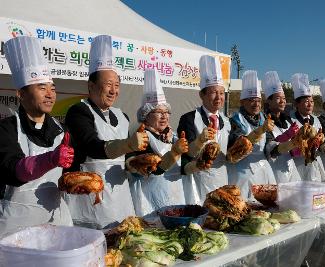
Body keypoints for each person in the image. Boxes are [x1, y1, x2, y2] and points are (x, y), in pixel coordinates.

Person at [64, 35, 148, 228]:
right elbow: (92, 146)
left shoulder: (122, 116)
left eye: (117, 85)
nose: (113, 90)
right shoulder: (79, 111)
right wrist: (127, 144)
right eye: (108, 84)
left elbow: (126, 158)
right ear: (91, 86)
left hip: (120, 200)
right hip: (90, 203)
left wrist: (136, 164)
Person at [0, 36, 74, 235]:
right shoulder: (7, 128)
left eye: (52, 88)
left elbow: (67, 175)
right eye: (42, 88)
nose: (50, 94)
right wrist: (50, 159)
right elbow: (13, 169)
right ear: (20, 94)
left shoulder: (61, 130)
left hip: (57, 224)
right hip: (16, 230)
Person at [126, 69, 188, 216]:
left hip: (174, 199)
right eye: (158, 112)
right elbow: (149, 170)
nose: (164, 116)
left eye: (166, 112)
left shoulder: (172, 137)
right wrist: (174, 152)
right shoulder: (142, 137)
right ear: (146, 116)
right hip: (148, 203)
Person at [177, 55, 230, 204]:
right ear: (202, 94)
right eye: (213, 92)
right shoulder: (189, 119)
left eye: (221, 93)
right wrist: (200, 140)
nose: (218, 97)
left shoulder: (227, 121)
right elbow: (188, 152)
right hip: (197, 182)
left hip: (222, 181)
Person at [228, 70, 276, 199]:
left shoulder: (264, 117)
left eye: (258, 101)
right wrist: (260, 130)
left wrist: (279, 145)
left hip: (264, 170)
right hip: (243, 173)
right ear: (242, 102)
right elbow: (236, 146)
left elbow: (269, 143)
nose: (256, 104)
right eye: (251, 100)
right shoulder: (235, 120)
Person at [263, 71, 301, 183]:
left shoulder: (288, 121)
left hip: (290, 168)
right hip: (274, 171)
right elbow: (271, 151)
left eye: (284, 98)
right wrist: (287, 135)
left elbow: (293, 152)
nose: (283, 101)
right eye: (278, 98)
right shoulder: (265, 122)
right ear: (268, 101)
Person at [290, 73, 325, 181]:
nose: (310, 105)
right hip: (298, 166)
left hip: (315, 164)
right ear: (297, 104)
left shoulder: (317, 120)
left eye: (312, 101)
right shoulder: (290, 120)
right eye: (306, 101)